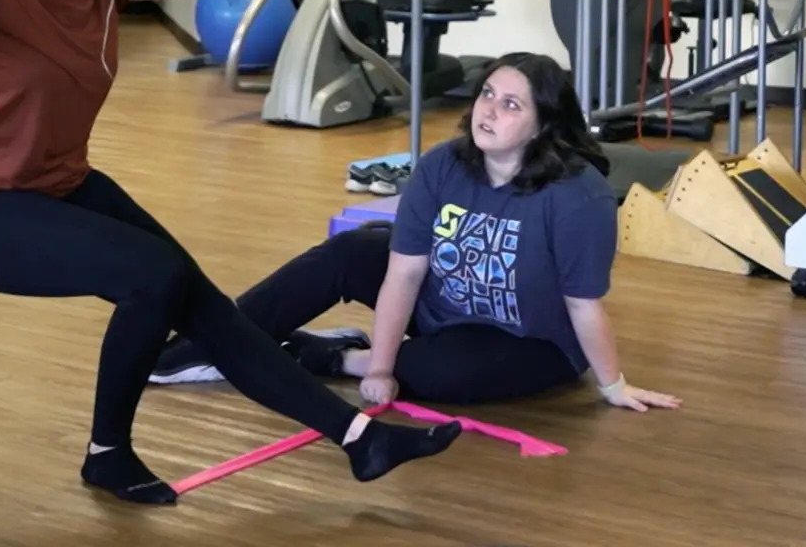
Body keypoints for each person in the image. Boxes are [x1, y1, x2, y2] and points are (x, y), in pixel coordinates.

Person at [0, 0, 461, 507]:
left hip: (58, 183)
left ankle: (361, 440)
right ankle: (108, 454)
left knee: (198, 298)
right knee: (151, 276)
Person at [149, 52, 682, 414]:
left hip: (525, 342)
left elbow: (584, 306)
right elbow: (404, 272)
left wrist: (613, 386)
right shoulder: (444, 164)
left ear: (543, 125)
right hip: (439, 303)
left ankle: (330, 355)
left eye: (511, 104)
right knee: (353, 250)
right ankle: (209, 343)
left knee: (436, 376)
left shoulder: (578, 196)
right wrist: (382, 368)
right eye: (487, 94)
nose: (488, 111)